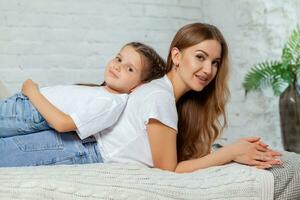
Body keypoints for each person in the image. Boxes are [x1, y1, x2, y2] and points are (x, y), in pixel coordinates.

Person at [0, 23, 283, 169]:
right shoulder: (159, 97)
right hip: (78, 150)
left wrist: (226, 152)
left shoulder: (161, 95)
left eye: (215, 62)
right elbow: (168, 170)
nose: (207, 69)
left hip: (77, 145)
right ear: (176, 56)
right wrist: (230, 153)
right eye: (200, 57)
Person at [0, 42, 166, 140]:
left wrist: (33, 92)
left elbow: (63, 124)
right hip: (23, 106)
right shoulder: (102, 92)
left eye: (129, 69)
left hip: (27, 110)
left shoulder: (111, 103)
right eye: (119, 58)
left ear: (139, 85)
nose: (117, 66)